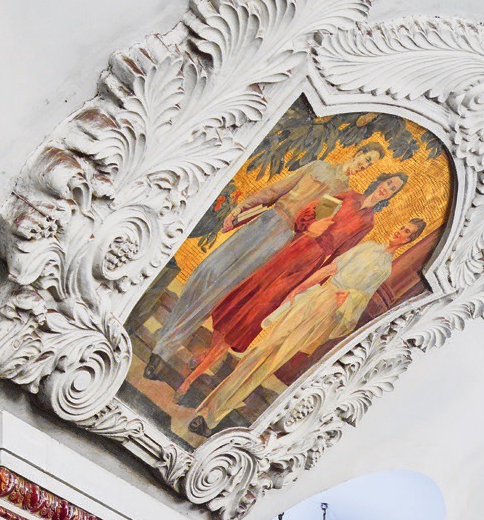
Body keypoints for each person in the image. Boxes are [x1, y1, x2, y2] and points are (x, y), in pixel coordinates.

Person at [145, 142, 384, 381]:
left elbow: (311, 226)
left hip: (282, 239)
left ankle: (163, 350)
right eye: (366, 158)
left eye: (370, 164)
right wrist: (242, 207)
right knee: (206, 272)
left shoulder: (342, 192)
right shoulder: (319, 167)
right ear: (357, 153)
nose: (364, 165)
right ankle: (166, 336)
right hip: (265, 220)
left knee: (220, 290)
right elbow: (276, 190)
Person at [176, 173, 407, 408]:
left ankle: (195, 375)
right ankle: (209, 355)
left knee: (259, 311)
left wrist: (311, 285)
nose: (387, 189)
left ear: (392, 196)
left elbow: (341, 254)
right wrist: (311, 225)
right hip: (296, 247)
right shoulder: (348, 196)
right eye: (388, 183)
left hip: (311, 263)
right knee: (247, 296)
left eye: (393, 189)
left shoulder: (369, 222)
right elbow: (310, 212)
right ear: (380, 181)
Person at [192, 217, 421, 433]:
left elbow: (362, 298)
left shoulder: (385, 269)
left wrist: (350, 297)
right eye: (402, 227)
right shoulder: (367, 247)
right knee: (262, 349)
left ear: (408, 241)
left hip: (329, 313)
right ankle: (209, 406)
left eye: (406, 232)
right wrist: (298, 290)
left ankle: (213, 416)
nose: (399, 232)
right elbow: (330, 269)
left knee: (273, 362)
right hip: (317, 296)